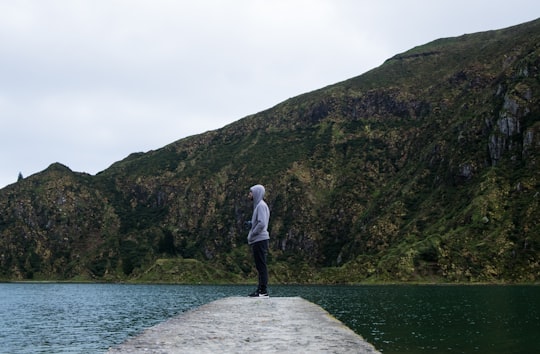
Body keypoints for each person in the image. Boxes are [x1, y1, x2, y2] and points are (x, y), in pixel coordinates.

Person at [247, 184, 270, 297]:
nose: (249, 195)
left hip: (260, 239)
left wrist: (253, 233)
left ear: (256, 193)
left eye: (251, 192)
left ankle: (263, 291)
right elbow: (259, 222)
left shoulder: (260, 205)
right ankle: (260, 289)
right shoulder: (259, 206)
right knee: (260, 266)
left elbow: (262, 223)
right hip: (259, 240)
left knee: (261, 266)